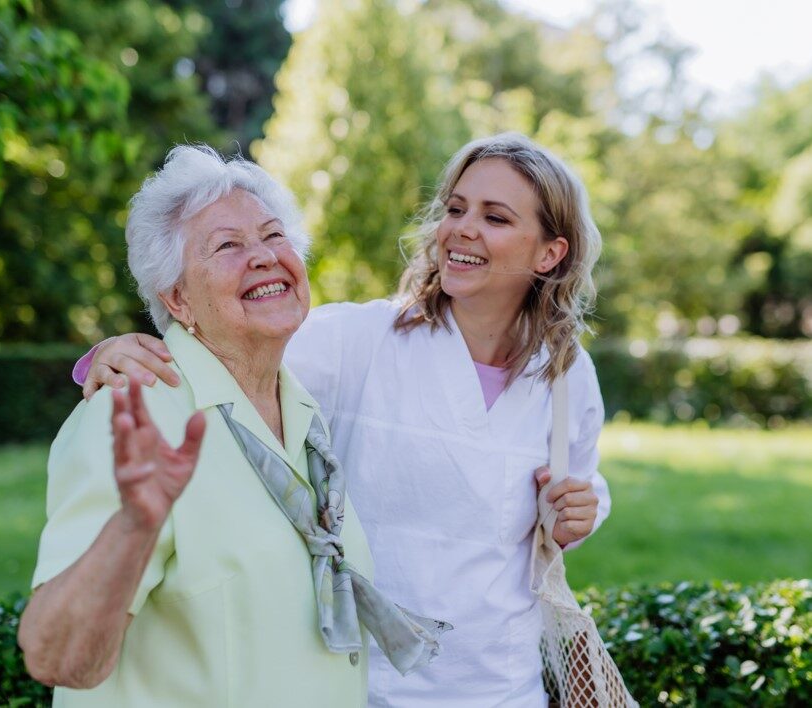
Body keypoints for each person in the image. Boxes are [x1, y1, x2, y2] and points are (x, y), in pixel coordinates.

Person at [75, 133, 611, 707]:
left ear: (549, 253)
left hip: (504, 687)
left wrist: (580, 513)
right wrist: (108, 356)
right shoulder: (358, 340)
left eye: (496, 217)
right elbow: (219, 354)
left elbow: (574, 492)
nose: (462, 228)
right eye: (455, 208)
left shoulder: (565, 375)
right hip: (367, 687)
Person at [18, 146, 447, 707]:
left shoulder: (302, 413)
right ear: (177, 298)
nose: (265, 256)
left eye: (273, 236)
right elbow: (58, 659)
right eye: (227, 246)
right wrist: (135, 525)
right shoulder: (131, 417)